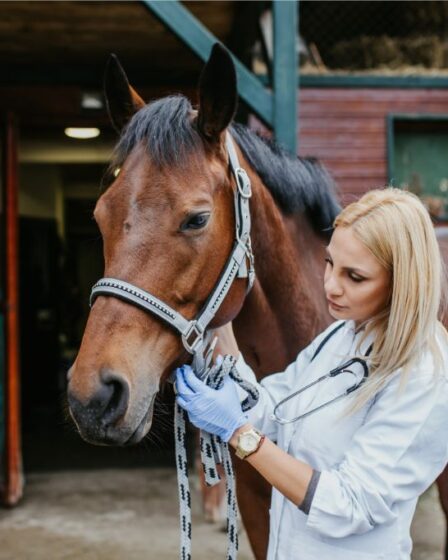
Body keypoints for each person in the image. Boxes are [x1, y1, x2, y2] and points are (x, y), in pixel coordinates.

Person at [174, 187, 448, 560]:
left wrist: (239, 434)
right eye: (330, 263)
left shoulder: (424, 374)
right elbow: (273, 408)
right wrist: (221, 326)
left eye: (355, 276)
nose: (331, 285)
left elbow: (349, 506)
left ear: (403, 282)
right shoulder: (345, 332)